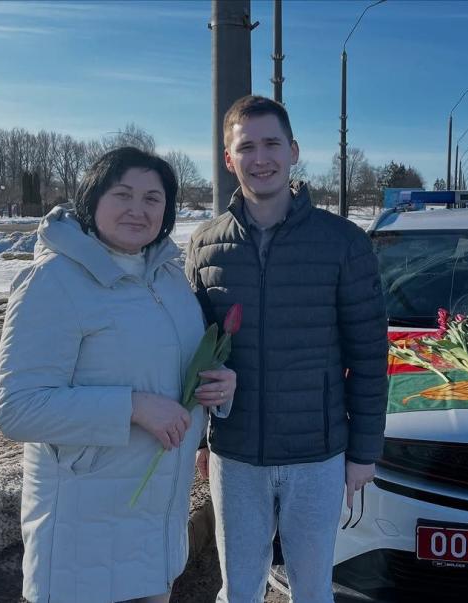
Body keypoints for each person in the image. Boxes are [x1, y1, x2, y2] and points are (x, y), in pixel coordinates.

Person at [0, 147, 236, 603]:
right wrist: (133, 407)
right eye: (122, 194)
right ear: (92, 198)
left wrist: (218, 382)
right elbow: (17, 408)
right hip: (84, 544)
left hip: (155, 536)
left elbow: (176, 368)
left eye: (152, 199)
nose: (137, 210)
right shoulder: (54, 280)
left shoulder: (167, 278)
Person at [186, 95, 388, 603]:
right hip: (236, 457)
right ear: (228, 159)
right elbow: (195, 353)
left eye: (272, 143)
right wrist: (201, 441)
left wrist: (363, 452)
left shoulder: (343, 243)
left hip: (316, 457)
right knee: (239, 591)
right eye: (246, 147)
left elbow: (368, 355)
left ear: (293, 151)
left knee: (313, 590)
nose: (261, 158)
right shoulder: (205, 246)